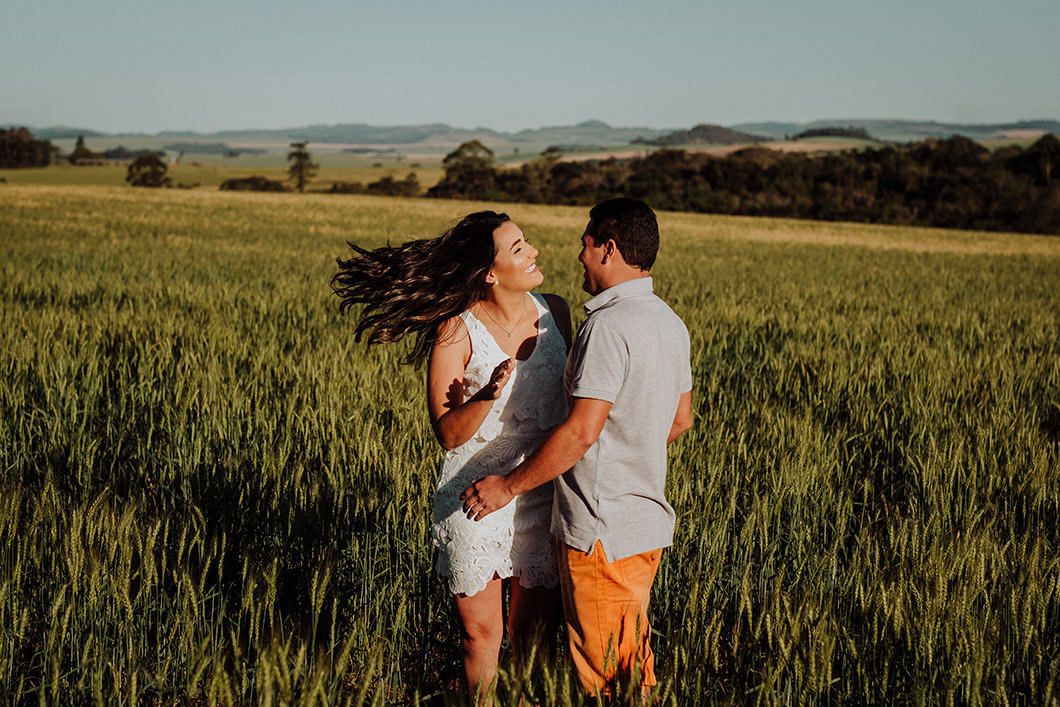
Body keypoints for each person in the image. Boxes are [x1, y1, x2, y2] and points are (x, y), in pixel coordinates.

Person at [331, 211, 570, 703]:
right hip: (475, 497)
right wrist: (485, 396)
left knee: (533, 639)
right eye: (519, 248)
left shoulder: (558, 313)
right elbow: (448, 433)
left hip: (540, 490)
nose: (533, 252)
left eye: (526, 242)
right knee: (482, 636)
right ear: (490, 273)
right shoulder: (456, 331)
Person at [460, 197, 693, 699]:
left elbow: (581, 432)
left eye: (586, 245)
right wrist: (626, 453)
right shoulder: (669, 321)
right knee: (631, 670)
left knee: (604, 681)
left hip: (599, 530)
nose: (579, 256)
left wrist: (508, 486)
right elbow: (679, 420)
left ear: (609, 249)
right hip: (644, 525)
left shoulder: (606, 327)